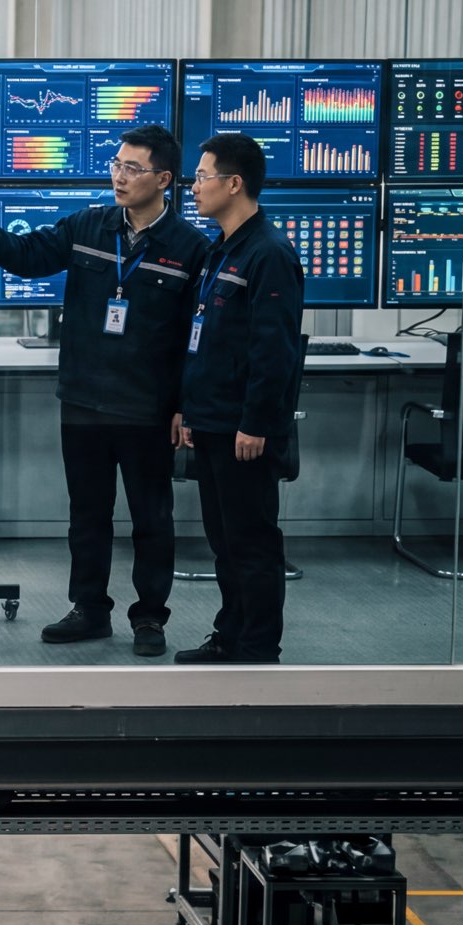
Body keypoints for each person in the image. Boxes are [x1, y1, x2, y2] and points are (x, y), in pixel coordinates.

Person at [0, 125, 207, 657]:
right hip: (84, 399)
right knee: (88, 515)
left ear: (164, 178)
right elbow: (31, 255)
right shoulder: (89, 225)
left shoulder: (191, 248)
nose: (119, 176)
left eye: (133, 168)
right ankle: (89, 609)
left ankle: (150, 618)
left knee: (151, 518)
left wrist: (186, 406)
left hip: (146, 407)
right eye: (116, 164)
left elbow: (195, 339)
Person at [173, 133, 305, 665]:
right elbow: (202, 338)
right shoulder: (220, 249)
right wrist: (187, 408)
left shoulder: (268, 253)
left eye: (203, 177)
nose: (195, 187)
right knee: (224, 543)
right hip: (211, 421)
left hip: (243, 430)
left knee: (252, 543)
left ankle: (257, 649)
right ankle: (229, 634)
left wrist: (256, 424)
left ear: (234, 183)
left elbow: (274, 352)